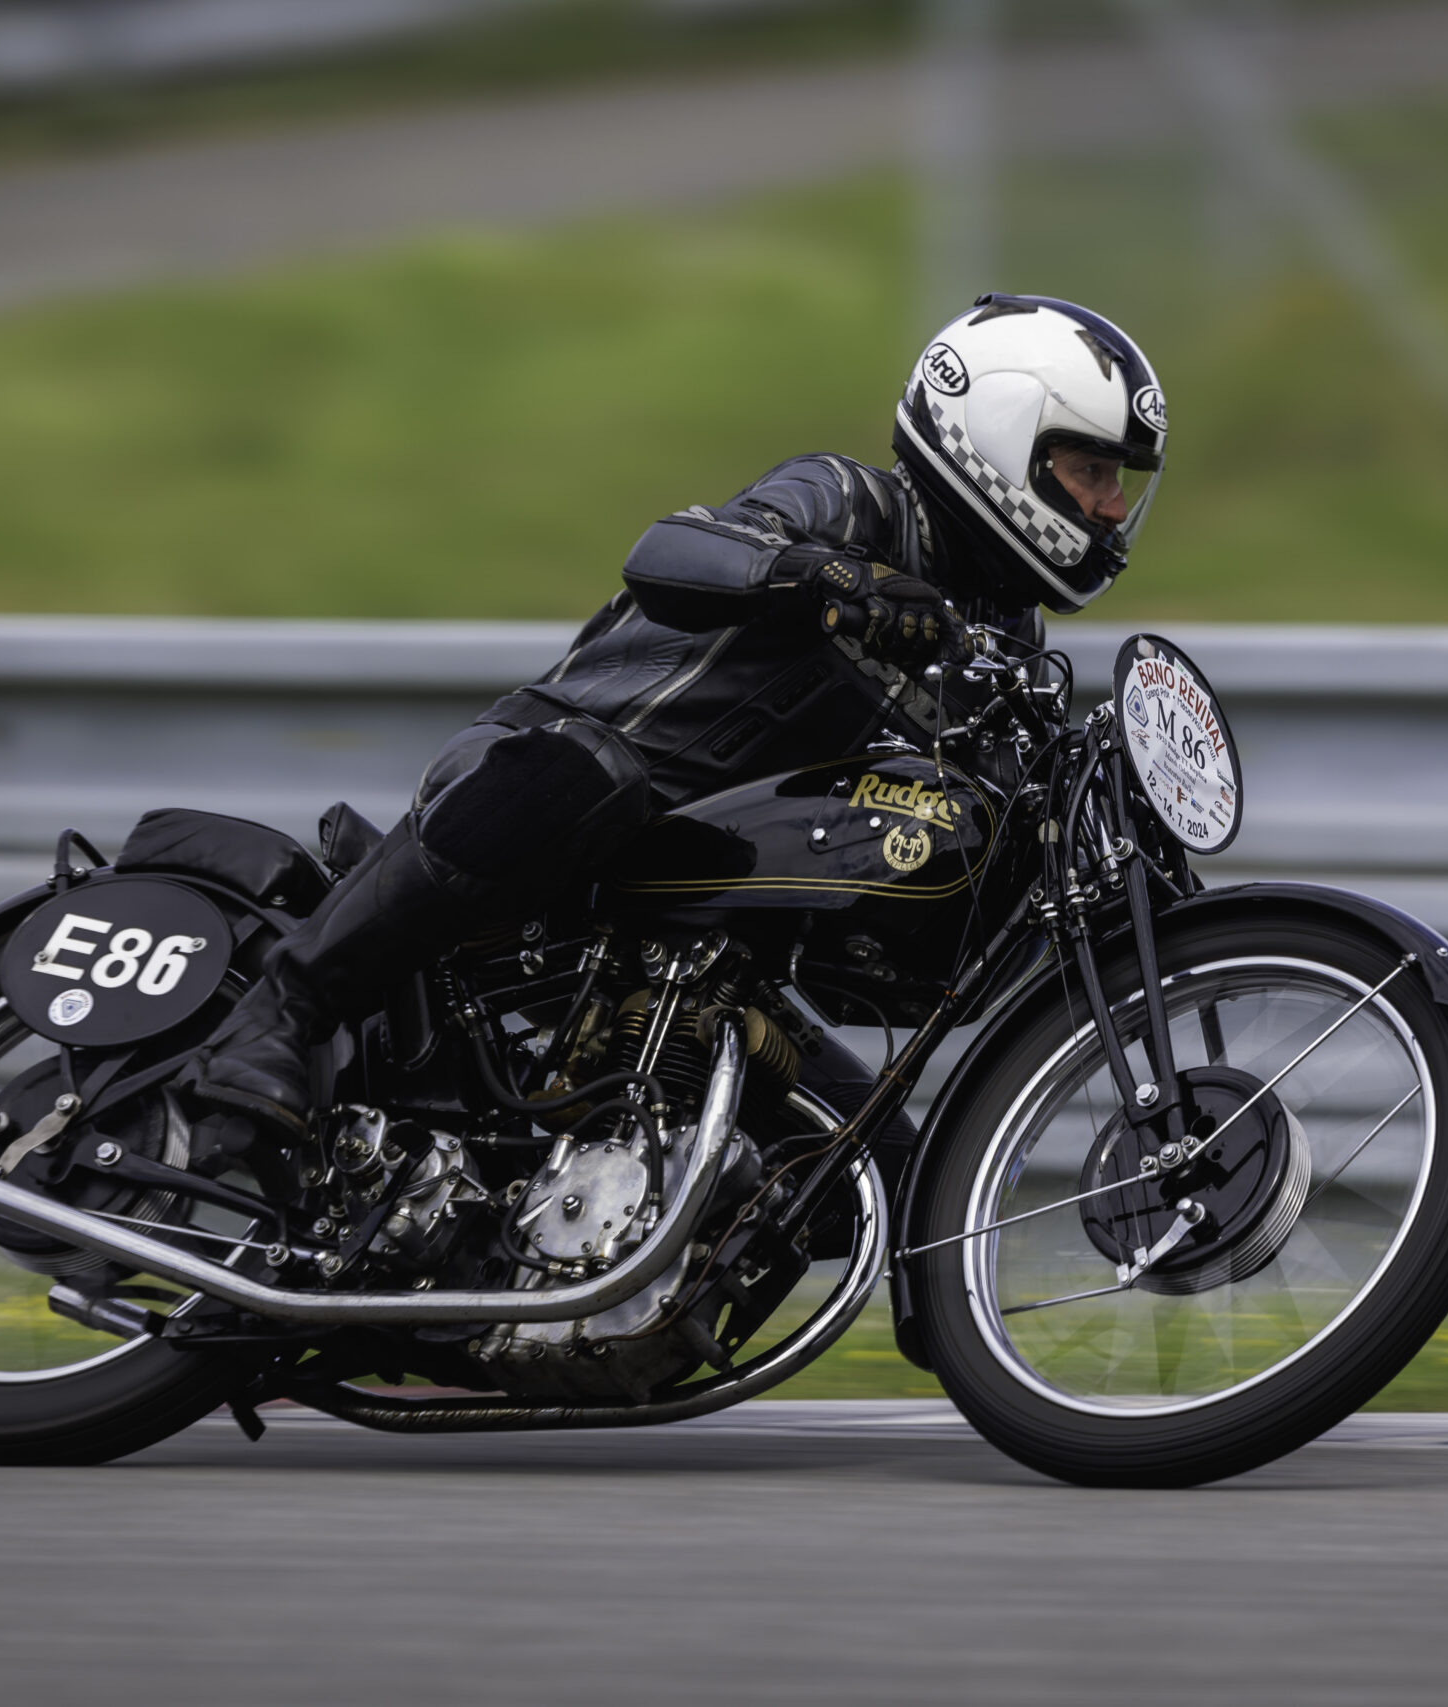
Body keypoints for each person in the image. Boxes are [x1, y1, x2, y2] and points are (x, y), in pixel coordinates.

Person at [177, 294, 1167, 1158]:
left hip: (682, 917)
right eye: (1091, 469)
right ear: (1000, 437)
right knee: (593, 775)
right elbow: (672, 552)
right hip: (537, 788)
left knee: (873, 1172)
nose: (1112, 505)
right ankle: (280, 1012)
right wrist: (829, 578)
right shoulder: (850, 502)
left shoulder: (1002, 640)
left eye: (1121, 479)